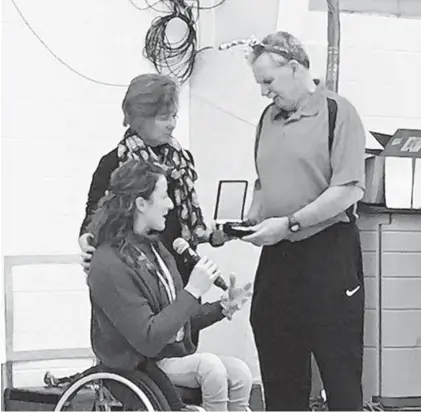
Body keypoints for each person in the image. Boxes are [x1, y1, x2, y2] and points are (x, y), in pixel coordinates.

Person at [241, 31, 366, 411]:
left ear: (294, 68)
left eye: (268, 82)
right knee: (276, 356)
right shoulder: (267, 118)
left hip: (328, 252)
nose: (264, 92)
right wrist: (252, 219)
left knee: (338, 366)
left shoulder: (337, 112)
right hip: (279, 255)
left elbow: (347, 190)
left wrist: (290, 223)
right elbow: (265, 182)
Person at [87, 159, 253, 411]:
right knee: (210, 368)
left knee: (240, 372)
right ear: (140, 204)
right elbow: (149, 339)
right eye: (164, 196)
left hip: (168, 358)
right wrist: (193, 290)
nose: (171, 204)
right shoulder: (110, 263)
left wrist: (222, 307)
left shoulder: (156, 248)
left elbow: (179, 319)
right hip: (137, 365)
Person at [79, 73, 225, 287]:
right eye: (164, 118)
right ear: (140, 119)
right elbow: (92, 220)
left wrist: (212, 235)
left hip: (180, 275)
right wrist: (87, 241)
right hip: (138, 277)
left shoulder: (181, 161)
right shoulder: (113, 164)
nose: (172, 124)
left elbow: (185, 225)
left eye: (175, 116)